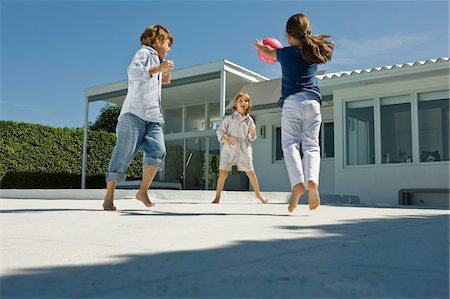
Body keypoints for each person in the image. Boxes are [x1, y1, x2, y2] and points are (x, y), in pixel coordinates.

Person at [252, 13, 334, 212]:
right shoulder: (314, 53)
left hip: (292, 102)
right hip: (313, 103)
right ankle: (312, 180)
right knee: (312, 146)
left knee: (289, 144)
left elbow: (269, 51)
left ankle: (298, 182)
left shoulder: (285, 54)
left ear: (288, 36)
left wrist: (258, 46)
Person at [103, 24, 174, 211]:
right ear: (158, 41)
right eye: (168, 44)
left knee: (158, 151)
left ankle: (142, 191)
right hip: (133, 115)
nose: (169, 49)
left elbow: (148, 86)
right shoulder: (143, 53)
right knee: (122, 155)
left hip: (153, 117)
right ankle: (108, 197)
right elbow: (133, 72)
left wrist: (161, 79)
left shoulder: (156, 61)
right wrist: (158, 69)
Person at [212, 92, 268, 204]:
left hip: (244, 149)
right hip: (229, 149)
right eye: (240, 101)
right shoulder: (229, 118)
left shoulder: (250, 120)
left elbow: (252, 137)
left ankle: (258, 194)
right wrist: (226, 138)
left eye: (246, 101)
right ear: (236, 104)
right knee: (223, 172)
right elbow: (219, 131)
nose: (243, 103)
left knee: (250, 172)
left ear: (249, 104)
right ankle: (217, 196)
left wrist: (252, 133)